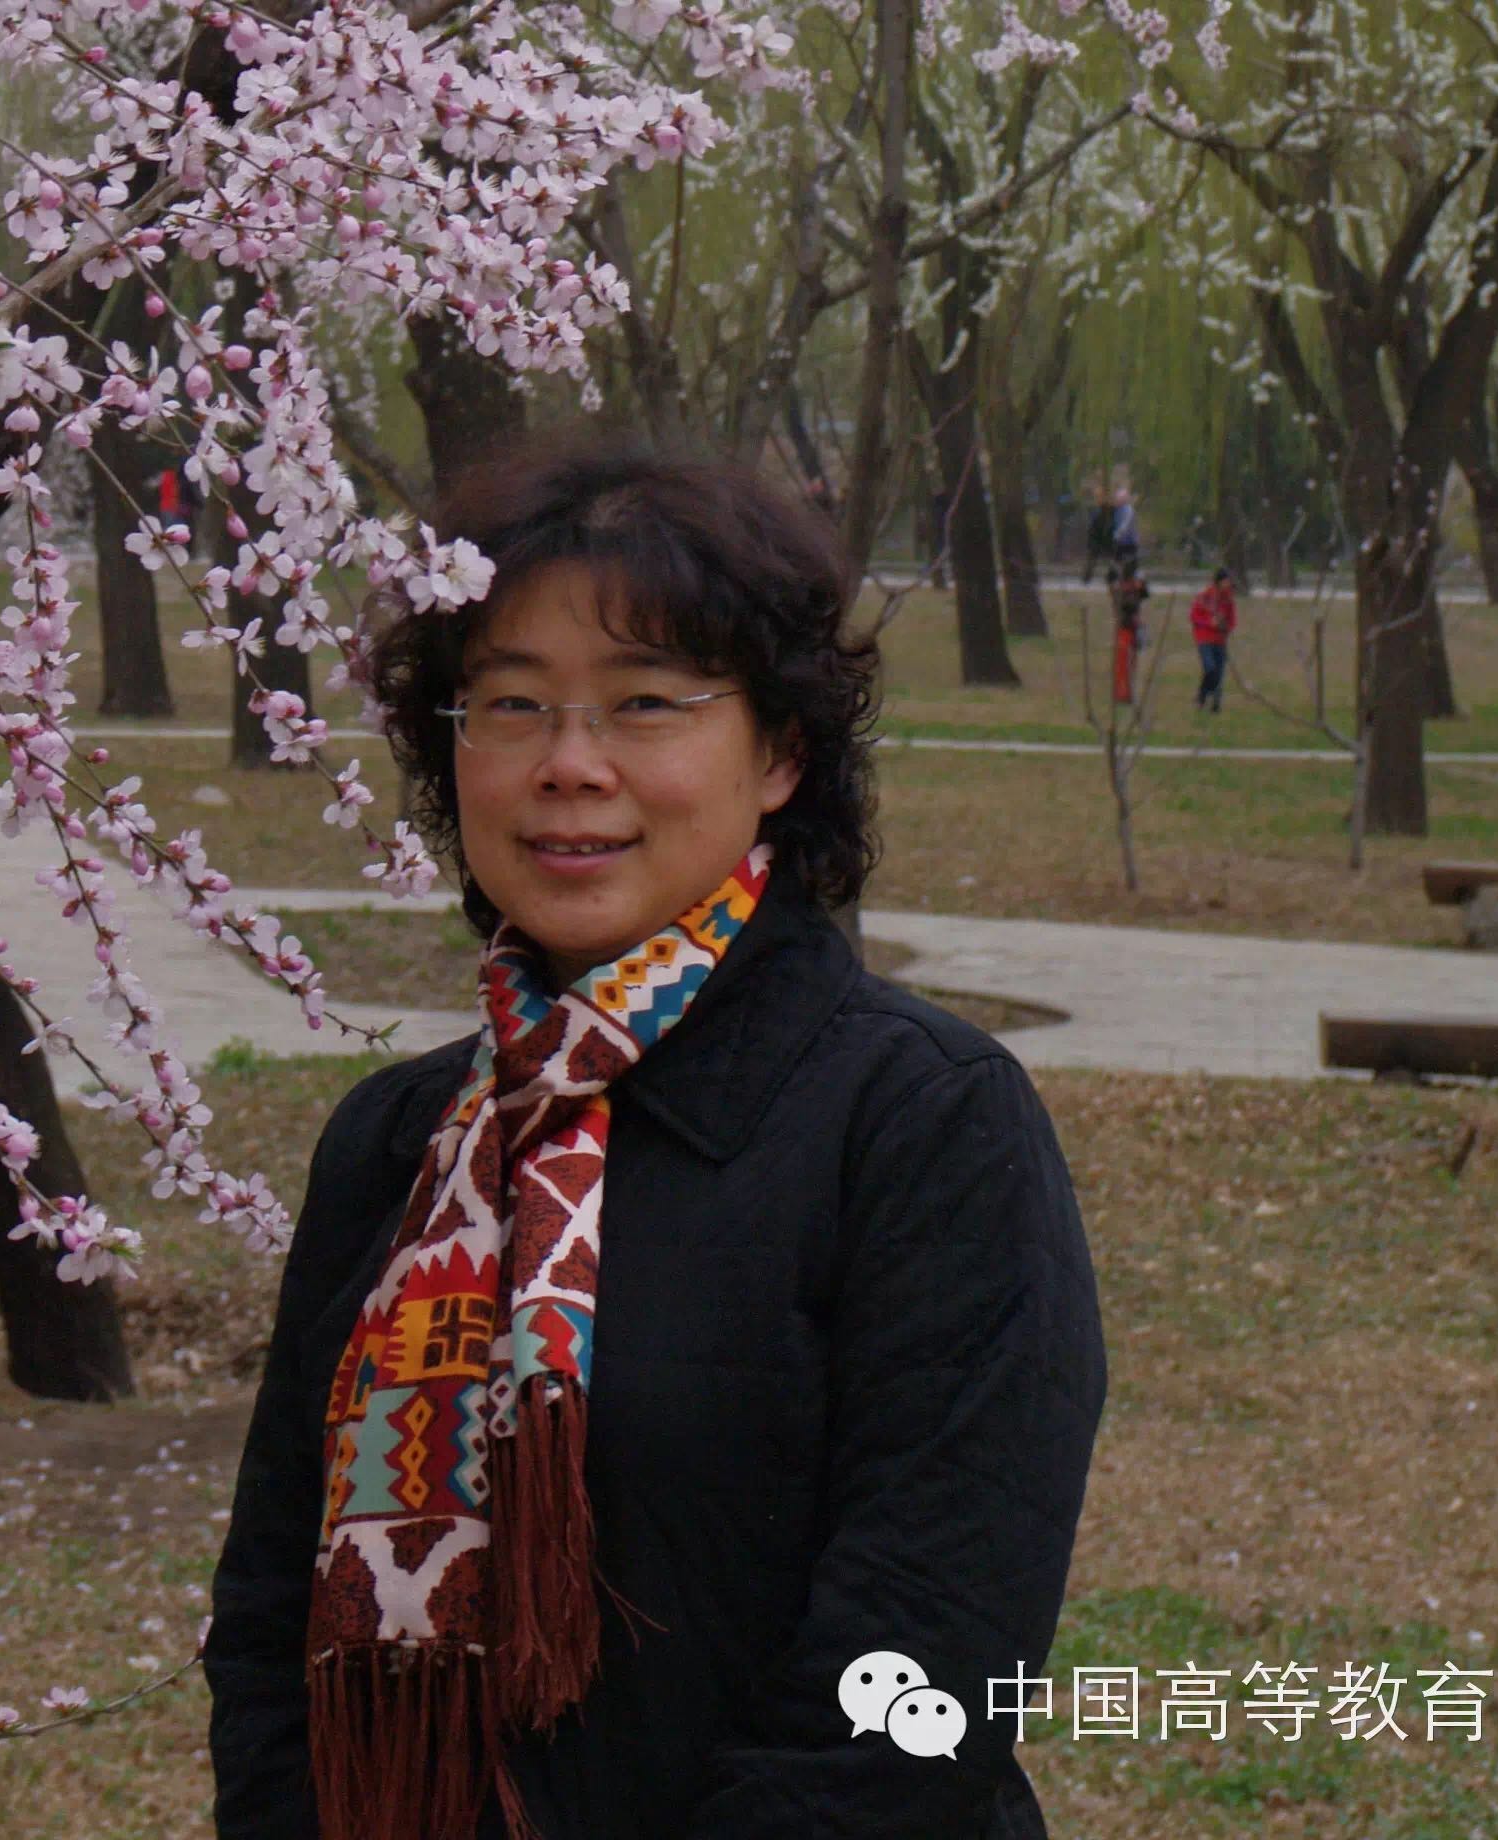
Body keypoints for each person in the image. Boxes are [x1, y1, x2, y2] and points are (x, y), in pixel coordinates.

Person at [207, 432, 1109, 1840]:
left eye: (644, 704)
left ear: (780, 752)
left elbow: (924, 1653)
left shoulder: (921, 1120)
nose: (570, 766)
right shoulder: (400, 1143)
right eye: (511, 705)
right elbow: (272, 1621)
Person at [1188, 566, 1237, 713]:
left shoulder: (1228, 599)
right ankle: (1202, 696)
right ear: (1219, 581)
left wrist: (1225, 626)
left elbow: (1232, 620)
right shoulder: (1205, 596)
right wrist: (1210, 622)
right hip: (1204, 638)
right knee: (1210, 668)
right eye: (1226, 581)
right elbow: (1194, 616)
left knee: (1219, 672)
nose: (1229, 584)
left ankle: (1215, 703)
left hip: (1220, 640)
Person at [1110, 565, 1149, 706]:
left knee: (1132, 663)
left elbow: (1145, 594)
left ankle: (1128, 693)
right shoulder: (1124, 591)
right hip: (1124, 630)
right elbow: (1124, 606)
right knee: (1123, 663)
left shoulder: (1136, 592)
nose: (1141, 584)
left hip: (1133, 631)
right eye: (1139, 581)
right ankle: (1121, 694)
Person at [1080, 478, 1116, 584]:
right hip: (1097, 539)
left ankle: (1111, 576)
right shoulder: (1097, 512)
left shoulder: (1109, 511)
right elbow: (1093, 527)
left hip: (1107, 539)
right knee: (1092, 558)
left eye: (1100, 496)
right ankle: (1087, 577)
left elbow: (1111, 524)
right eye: (1097, 497)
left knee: (1111, 559)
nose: (1098, 499)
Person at [1109, 486, 1140, 574]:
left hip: (1129, 543)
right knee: (1116, 563)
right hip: (1120, 542)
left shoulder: (1128, 510)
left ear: (1124, 499)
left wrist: (1116, 535)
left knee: (1129, 564)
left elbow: (1125, 525)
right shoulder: (1116, 510)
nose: (1117, 500)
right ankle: (1122, 575)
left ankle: (1131, 576)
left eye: (1119, 498)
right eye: (1117, 498)